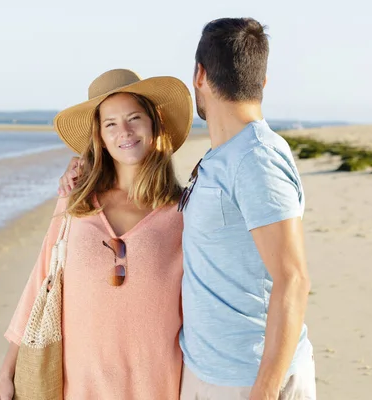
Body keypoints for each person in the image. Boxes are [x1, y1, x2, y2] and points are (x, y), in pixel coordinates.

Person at [58, 18, 316, 400]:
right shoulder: (219, 160)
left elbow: (293, 280)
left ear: (199, 74)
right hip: (205, 371)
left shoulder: (256, 159)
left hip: (248, 378)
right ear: (262, 83)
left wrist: (263, 392)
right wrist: (85, 166)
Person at [0, 68, 194, 400]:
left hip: (158, 386)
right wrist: (6, 373)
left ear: (154, 123)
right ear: (99, 136)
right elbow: (41, 283)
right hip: (80, 387)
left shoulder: (185, 213)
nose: (124, 132)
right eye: (110, 124)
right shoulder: (76, 202)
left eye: (134, 118)